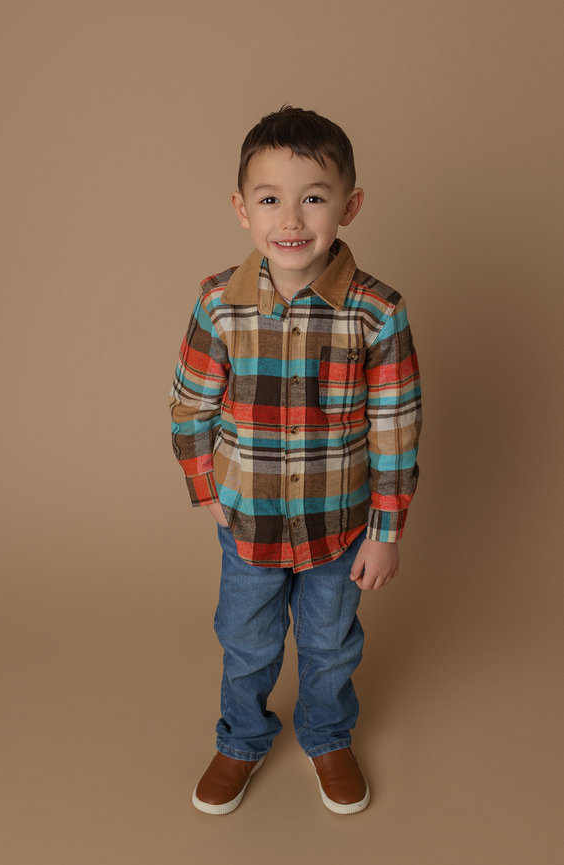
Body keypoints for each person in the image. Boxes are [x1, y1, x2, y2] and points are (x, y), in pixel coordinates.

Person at [169, 106, 422, 815]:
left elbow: (395, 429)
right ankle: (241, 738)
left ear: (349, 204)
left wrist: (384, 530)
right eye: (269, 198)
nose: (291, 217)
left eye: (313, 196)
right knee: (245, 642)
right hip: (246, 524)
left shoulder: (376, 312)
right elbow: (188, 404)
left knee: (330, 643)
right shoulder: (218, 303)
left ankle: (326, 733)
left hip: (336, 528)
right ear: (241, 208)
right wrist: (206, 488)